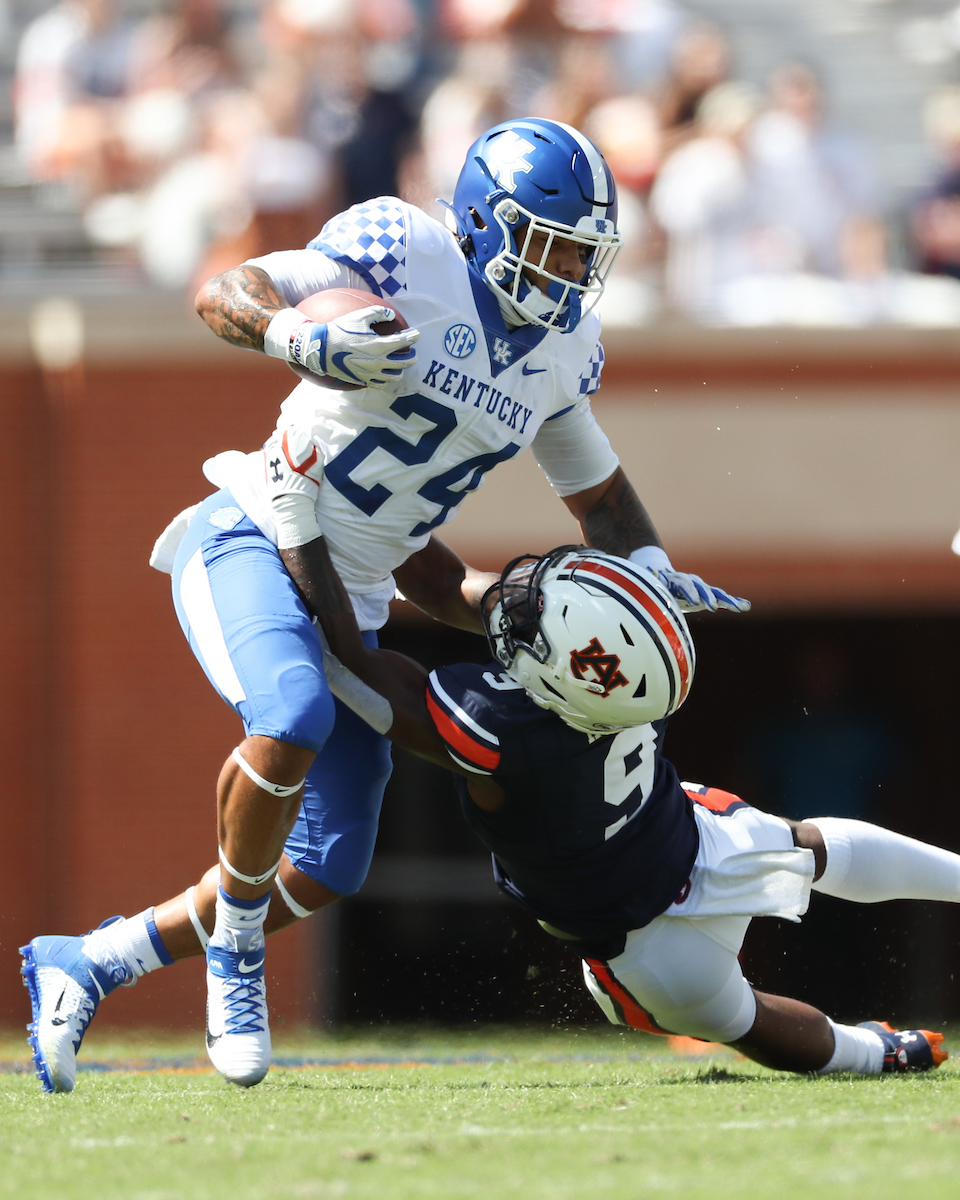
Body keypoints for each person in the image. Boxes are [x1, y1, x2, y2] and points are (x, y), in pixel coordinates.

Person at [20, 117, 749, 1095]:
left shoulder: (560, 354)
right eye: (553, 246)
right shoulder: (403, 251)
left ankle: (90, 962)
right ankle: (237, 955)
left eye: (586, 254)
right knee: (291, 716)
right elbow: (226, 291)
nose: (572, 274)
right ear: (489, 225)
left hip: (362, 582)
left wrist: (650, 575)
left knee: (328, 864)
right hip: (254, 528)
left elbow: (603, 501)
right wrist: (293, 332)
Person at [272, 539, 954, 1076]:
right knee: (808, 846)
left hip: (641, 947)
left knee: (745, 1022)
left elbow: (353, 662)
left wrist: (310, 532)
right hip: (697, 843)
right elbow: (456, 592)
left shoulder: (503, 730)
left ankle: (876, 1054)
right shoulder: (626, 681)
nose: (521, 603)